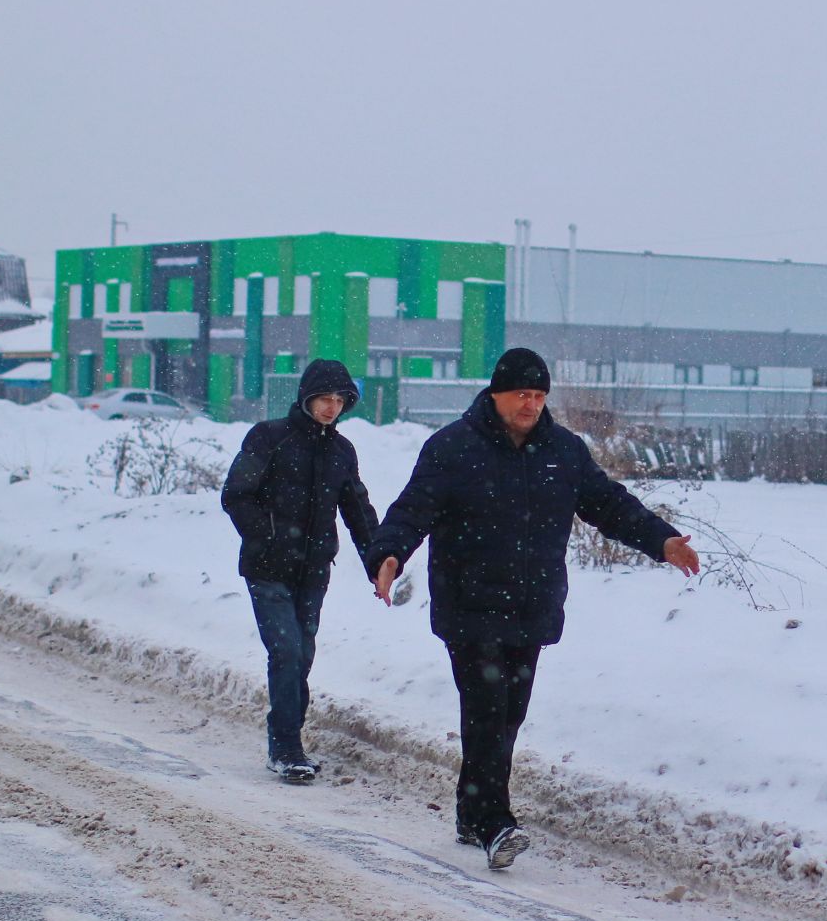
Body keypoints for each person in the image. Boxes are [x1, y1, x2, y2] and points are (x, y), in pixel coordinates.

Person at [366, 347, 700, 869]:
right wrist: (387, 554)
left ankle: (469, 811)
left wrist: (662, 541)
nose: (532, 403)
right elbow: (413, 509)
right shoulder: (453, 448)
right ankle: (492, 821)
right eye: (523, 393)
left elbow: (609, 505)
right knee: (486, 709)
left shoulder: (563, 452)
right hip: (470, 605)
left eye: (540, 395)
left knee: (508, 716)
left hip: (531, 606)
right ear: (496, 393)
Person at [222, 358, 379, 782]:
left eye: (340, 400)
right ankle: (286, 745)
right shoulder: (269, 437)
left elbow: (358, 510)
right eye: (324, 398)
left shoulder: (342, 451)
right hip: (268, 568)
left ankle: (289, 739)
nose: (332, 407)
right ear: (306, 397)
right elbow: (237, 494)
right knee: (287, 650)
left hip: (313, 571)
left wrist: (381, 558)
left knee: (302, 654)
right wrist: (268, 536)